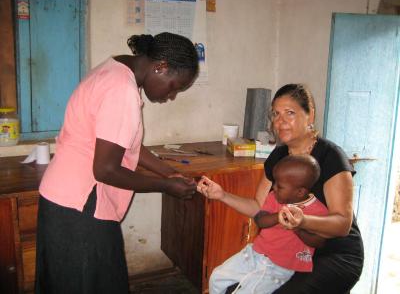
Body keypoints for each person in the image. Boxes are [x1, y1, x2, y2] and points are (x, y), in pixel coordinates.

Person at [35, 32, 200, 294]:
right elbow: (105, 170)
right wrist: (164, 186)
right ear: (161, 66)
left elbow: (127, 144)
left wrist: (169, 173)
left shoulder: (114, 69)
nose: (171, 96)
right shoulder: (121, 90)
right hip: (80, 206)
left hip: (62, 199)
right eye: (174, 86)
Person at [199, 84, 364, 294]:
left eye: (290, 113)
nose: (280, 121)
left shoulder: (331, 156)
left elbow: (342, 224)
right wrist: (221, 195)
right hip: (290, 251)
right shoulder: (278, 156)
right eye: (276, 114)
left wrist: (302, 221)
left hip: (335, 253)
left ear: (310, 115)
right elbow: (259, 207)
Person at [197, 154, 328, 294]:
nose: (274, 188)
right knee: (216, 277)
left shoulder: (318, 211)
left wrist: (298, 228)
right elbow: (260, 220)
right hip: (254, 254)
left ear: (300, 191)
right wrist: (278, 216)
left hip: (280, 267)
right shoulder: (274, 197)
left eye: (280, 186)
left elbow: (318, 242)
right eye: (275, 183)